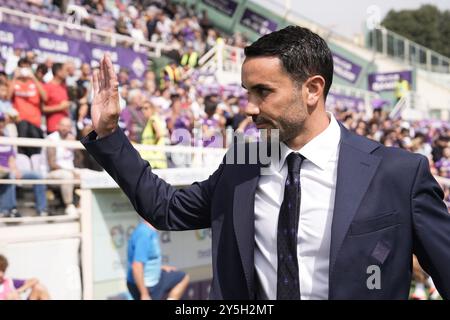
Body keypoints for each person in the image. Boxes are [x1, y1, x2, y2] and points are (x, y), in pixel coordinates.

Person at [82, 26, 450, 300]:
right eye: (247, 92)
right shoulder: (243, 163)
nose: (250, 107)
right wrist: (110, 134)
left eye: (264, 92)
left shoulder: (399, 173)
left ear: (312, 89)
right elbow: (166, 208)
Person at [0, 113, 48, 217]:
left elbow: (11, 158)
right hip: (3, 171)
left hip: (8, 170)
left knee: (37, 176)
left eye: (2, 121)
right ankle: (8, 210)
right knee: (10, 176)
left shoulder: (7, 138)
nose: (1, 123)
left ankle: (42, 209)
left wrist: (14, 169)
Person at [126, 220, 189, 300]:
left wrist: (160, 267)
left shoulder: (151, 231)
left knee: (182, 277)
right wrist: (144, 294)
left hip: (156, 278)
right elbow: (137, 266)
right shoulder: (144, 233)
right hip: (146, 285)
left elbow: (149, 259)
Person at [9, 58, 46, 157]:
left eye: (27, 67)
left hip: (35, 122)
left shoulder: (35, 83)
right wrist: (14, 78)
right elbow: (8, 97)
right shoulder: (14, 83)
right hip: (20, 122)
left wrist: (33, 78)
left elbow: (45, 97)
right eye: (22, 67)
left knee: (36, 152)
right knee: (22, 151)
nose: (25, 69)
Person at [45, 117, 78, 216]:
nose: (65, 128)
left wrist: (75, 146)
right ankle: (69, 205)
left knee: (88, 174)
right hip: (52, 173)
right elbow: (52, 164)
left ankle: (83, 205)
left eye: (68, 126)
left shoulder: (71, 138)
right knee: (67, 176)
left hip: (70, 170)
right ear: (57, 126)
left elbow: (79, 161)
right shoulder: (51, 139)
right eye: (63, 125)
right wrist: (71, 172)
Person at [43, 63, 70, 134]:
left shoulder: (64, 87)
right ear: (58, 72)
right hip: (53, 127)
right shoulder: (47, 87)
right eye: (66, 70)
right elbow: (42, 108)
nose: (68, 72)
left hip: (66, 128)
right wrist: (60, 107)